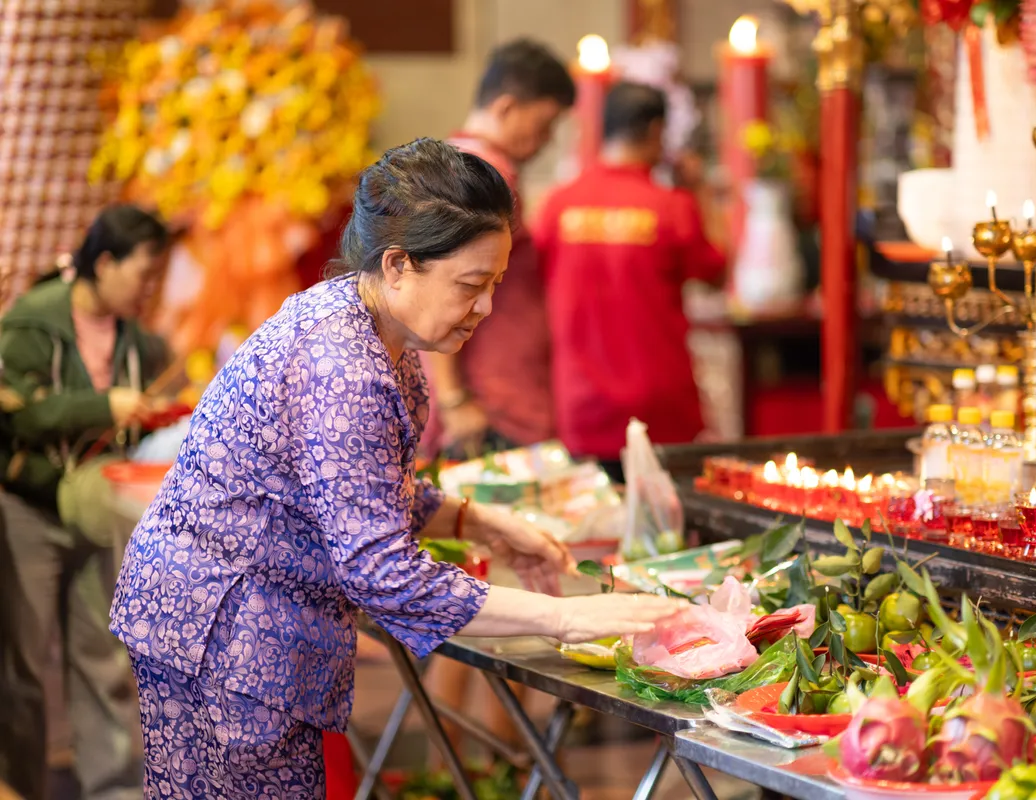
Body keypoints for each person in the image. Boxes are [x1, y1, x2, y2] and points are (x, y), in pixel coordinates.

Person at [108, 139, 681, 799]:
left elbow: (355, 490)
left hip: (216, 616)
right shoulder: (342, 366)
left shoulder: (376, 325)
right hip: (224, 629)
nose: (486, 307)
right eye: (470, 285)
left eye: (494, 284)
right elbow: (382, 573)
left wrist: (480, 521)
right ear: (399, 264)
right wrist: (566, 619)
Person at [0, 204, 172, 800]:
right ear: (104, 263)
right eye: (144, 275)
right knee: (22, 667)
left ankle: (116, 791)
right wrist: (102, 409)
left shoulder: (138, 340)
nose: (151, 289)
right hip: (31, 507)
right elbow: (17, 416)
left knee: (103, 659)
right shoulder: (32, 320)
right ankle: (17, 787)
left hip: (99, 508)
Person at [535, 82, 726, 483]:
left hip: (580, 403)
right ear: (656, 131)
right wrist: (701, 189)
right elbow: (717, 272)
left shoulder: (558, 205)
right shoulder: (672, 205)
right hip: (658, 408)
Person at [424, 38, 576, 460]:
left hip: (497, 391)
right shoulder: (484, 175)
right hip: (488, 399)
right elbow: (439, 288)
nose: (546, 140)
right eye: (544, 124)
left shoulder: (470, 164)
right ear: (507, 108)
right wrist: (455, 400)